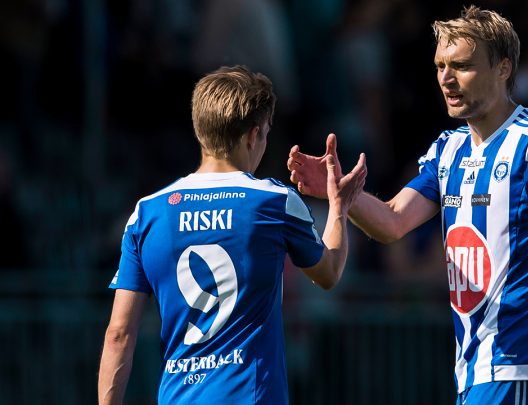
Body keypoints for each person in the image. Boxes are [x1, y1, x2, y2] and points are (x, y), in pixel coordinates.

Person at [287, 6, 528, 405]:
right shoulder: (448, 149)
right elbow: (391, 222)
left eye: (461, 65)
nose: (446, 78)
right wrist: (340, 194)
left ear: (503, 68)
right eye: (440, 65)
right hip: (473, 371)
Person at [98, 65, 367, 405]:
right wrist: (339, 206)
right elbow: (328, 273)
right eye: (266, 133)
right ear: (253, 135)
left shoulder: (147, 213)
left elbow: (119, 334)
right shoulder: (273, 201)